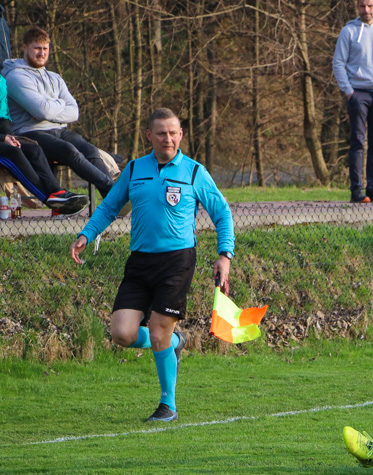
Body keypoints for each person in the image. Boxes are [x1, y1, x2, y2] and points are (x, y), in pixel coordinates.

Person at [69, 108, 235, 422]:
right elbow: (110, 207)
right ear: (150, 136)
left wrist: (224, 255)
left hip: (177, 261)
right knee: (122, 333)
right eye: (161, 133)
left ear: (181, 134)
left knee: (157, 331)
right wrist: (86, 234)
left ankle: (167, 405)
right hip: (140, 261)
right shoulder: (134, 169)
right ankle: (175, 342)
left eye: (173, 133)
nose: (168, 139)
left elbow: (222, 214)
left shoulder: (194, 172)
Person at [1, 27, 116, 199]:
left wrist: (49, 108)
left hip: (60, 130)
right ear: (25, 47)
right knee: (68, 150)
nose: (42, 53)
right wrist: (59, 105)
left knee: (91, 151)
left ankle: (112, 201)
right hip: (30, 132)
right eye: (37, 48)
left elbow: (74, 112)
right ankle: (115, 192)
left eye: (45, 49)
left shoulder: (55, 78)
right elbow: (42, 110)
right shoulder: (16, 77)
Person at [332, 0, 373, 204]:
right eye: (362, 6)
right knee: (358, 142)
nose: (366, 10)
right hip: (358, 94)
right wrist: (349, 91)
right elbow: (338, 62)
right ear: (357, 7)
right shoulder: (349, 32)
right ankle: (356, 190)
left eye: (370, 6)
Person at [0, 71, 87, 215]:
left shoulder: (1, 81)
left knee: (34, 149)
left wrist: (9, 136)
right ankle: (53, 201)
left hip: (3, 136)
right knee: (12, 153)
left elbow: (3, 118)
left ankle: (56, 192)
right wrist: (3, 138)